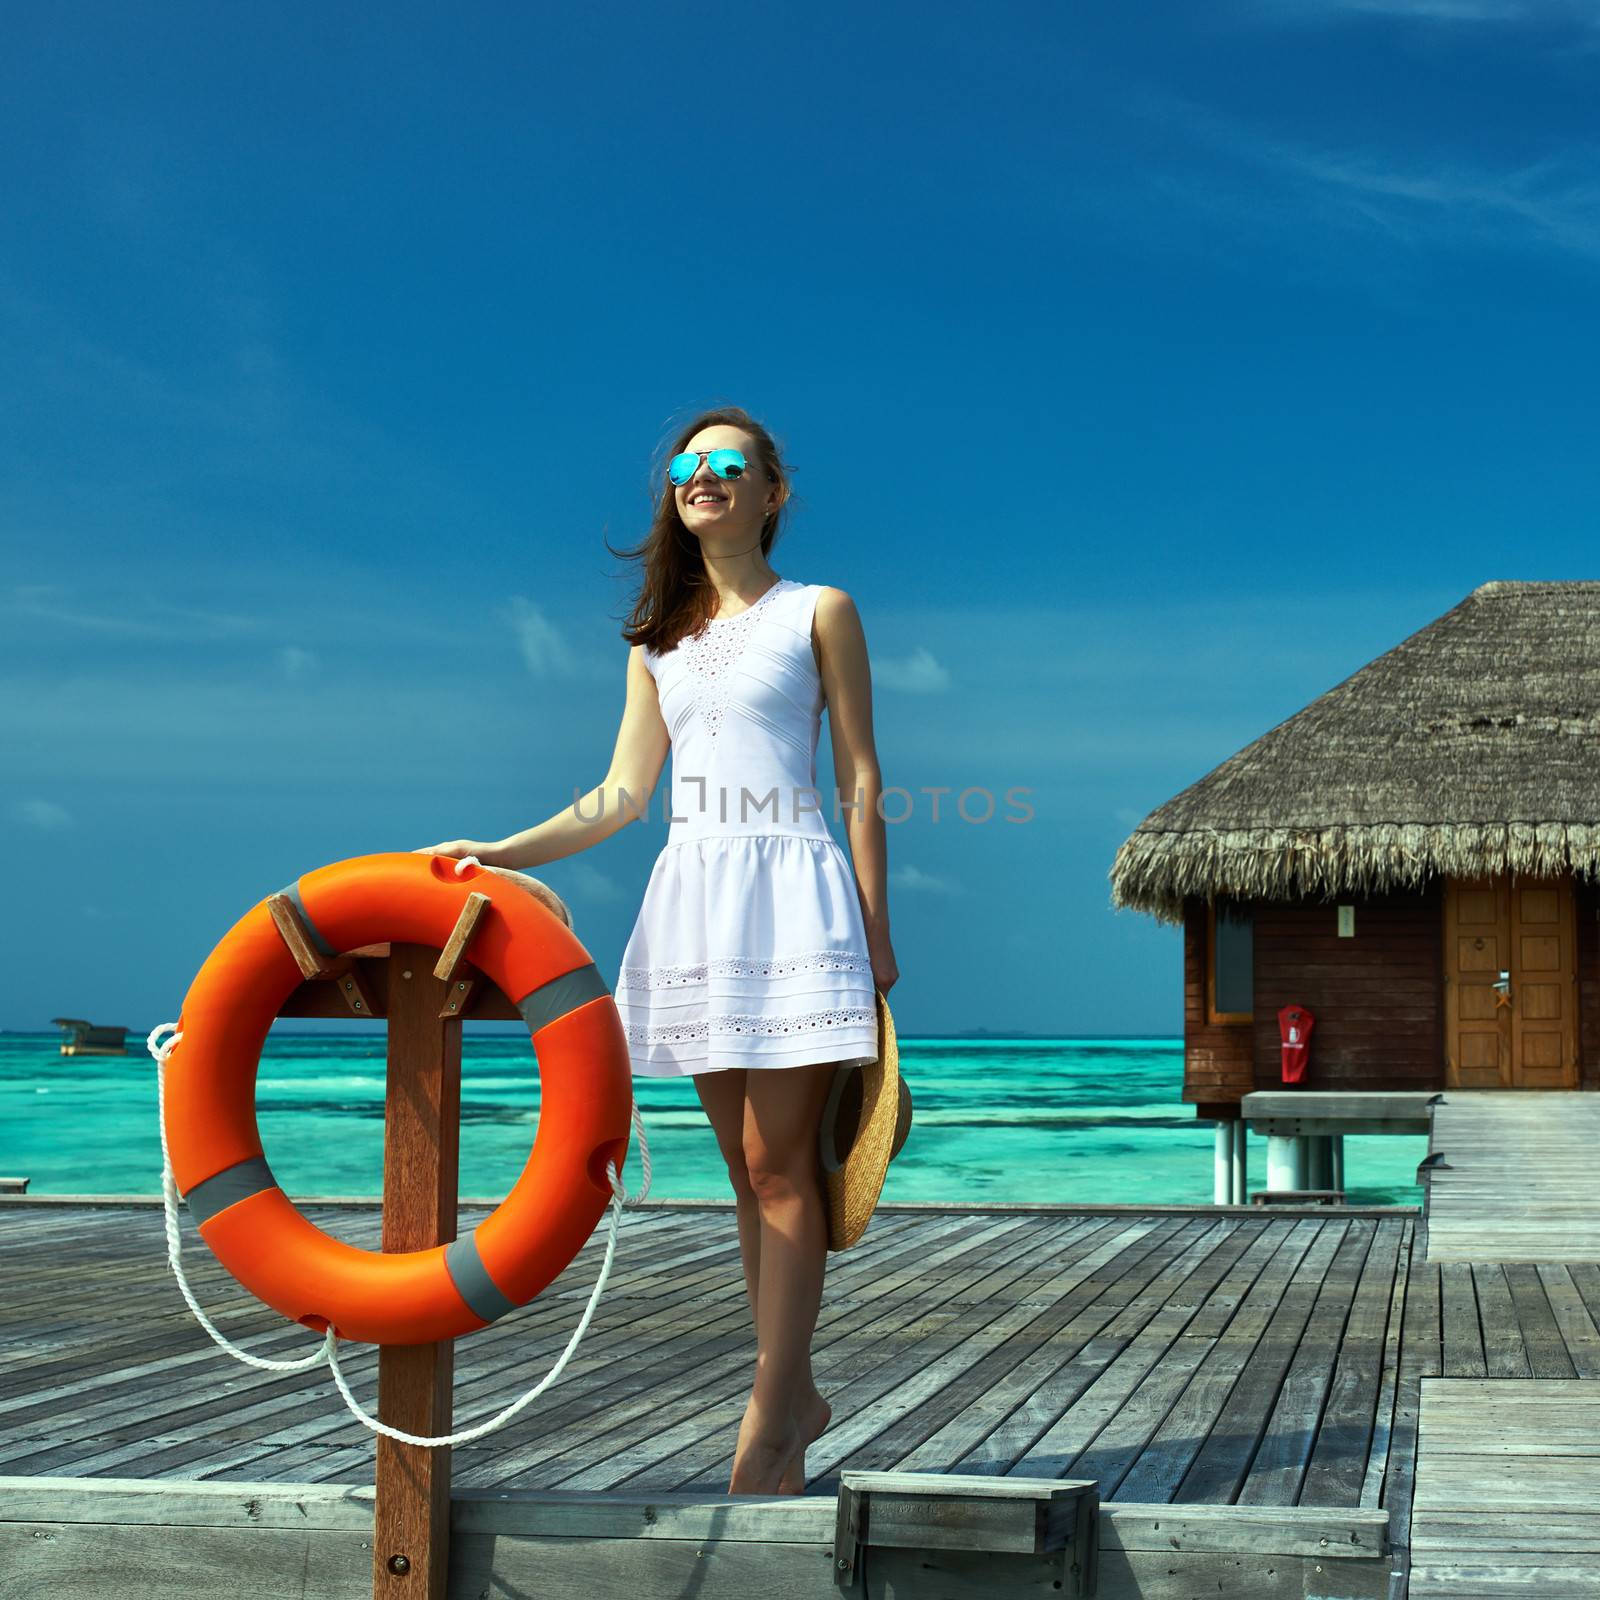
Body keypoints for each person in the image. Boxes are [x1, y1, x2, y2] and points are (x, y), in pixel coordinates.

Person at [418, 404, 898, 1497]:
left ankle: (773, 1414)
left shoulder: (820, 609)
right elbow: (622, 795)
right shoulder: (656, 645)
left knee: (784, 1168)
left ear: (772, 492)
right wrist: (499, 845)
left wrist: (875, 931)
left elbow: (862, 777)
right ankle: (792, 1386)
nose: (704, 477)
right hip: (693, 900)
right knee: (746, 1173)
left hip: (795, 894)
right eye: (688, 465)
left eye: (730, 464)